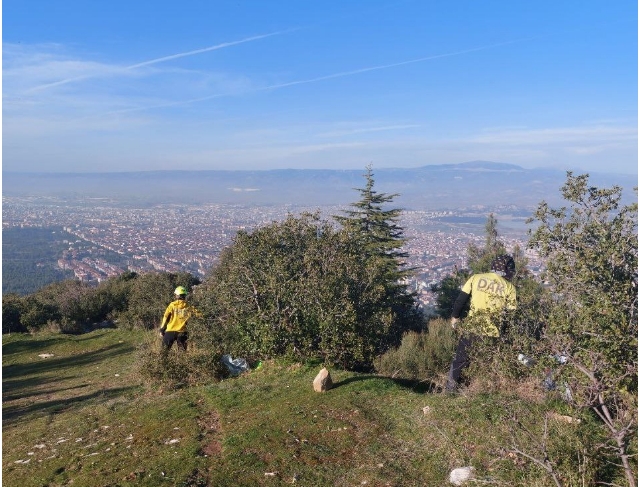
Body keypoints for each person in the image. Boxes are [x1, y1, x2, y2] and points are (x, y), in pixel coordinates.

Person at [446, 255, 517, 391]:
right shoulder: (510, 288)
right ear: (507, 269)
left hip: (472, 329)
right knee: (489, 365)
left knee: (459, 361)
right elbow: (510, 316)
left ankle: (450, 391)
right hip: (493, 334)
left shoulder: (476, 278)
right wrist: (505, 335)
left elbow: (461, 300)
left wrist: (455, 317)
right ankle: (484, 391)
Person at [159, 286, 200, 351]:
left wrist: (162, 330)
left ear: (177, 295)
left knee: (163, 353)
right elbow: (199, 315)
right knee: (182, 355)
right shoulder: (189, 306)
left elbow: (166, 317)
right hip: (182, 332)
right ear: (185, 295)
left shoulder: (172, 305)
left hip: (170, 331)